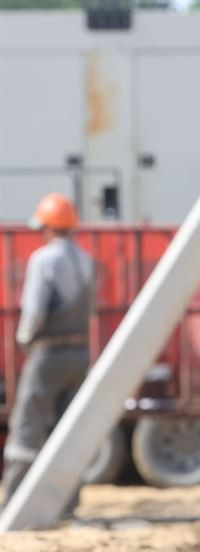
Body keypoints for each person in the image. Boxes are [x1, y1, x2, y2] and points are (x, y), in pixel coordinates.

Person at [1, 193, 93, 514]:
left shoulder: (44, 259)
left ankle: (13, 501)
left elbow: (35, 311)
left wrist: (25, 339)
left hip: (49, 354)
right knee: (69, 428)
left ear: (48, 227)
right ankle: (67, 504)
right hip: (81, 354)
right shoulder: (85, 259)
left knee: (28, 426)